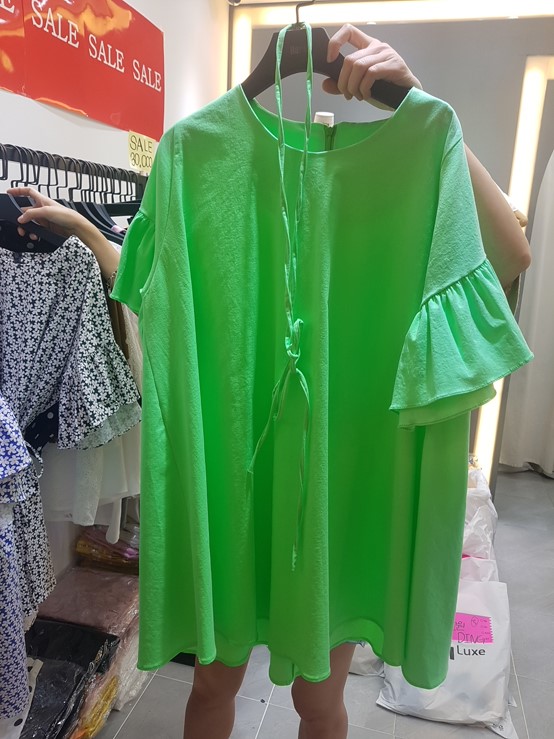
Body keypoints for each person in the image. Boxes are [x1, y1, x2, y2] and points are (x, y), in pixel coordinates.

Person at [8, 23, 530, 739]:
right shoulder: (193, 154)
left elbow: (511, 252)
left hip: (343, 478)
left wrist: (421, 103)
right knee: (217, 684)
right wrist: (90, 234)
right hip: (236, 480)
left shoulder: (426, 148)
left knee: (316, 698)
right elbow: (158, 287)